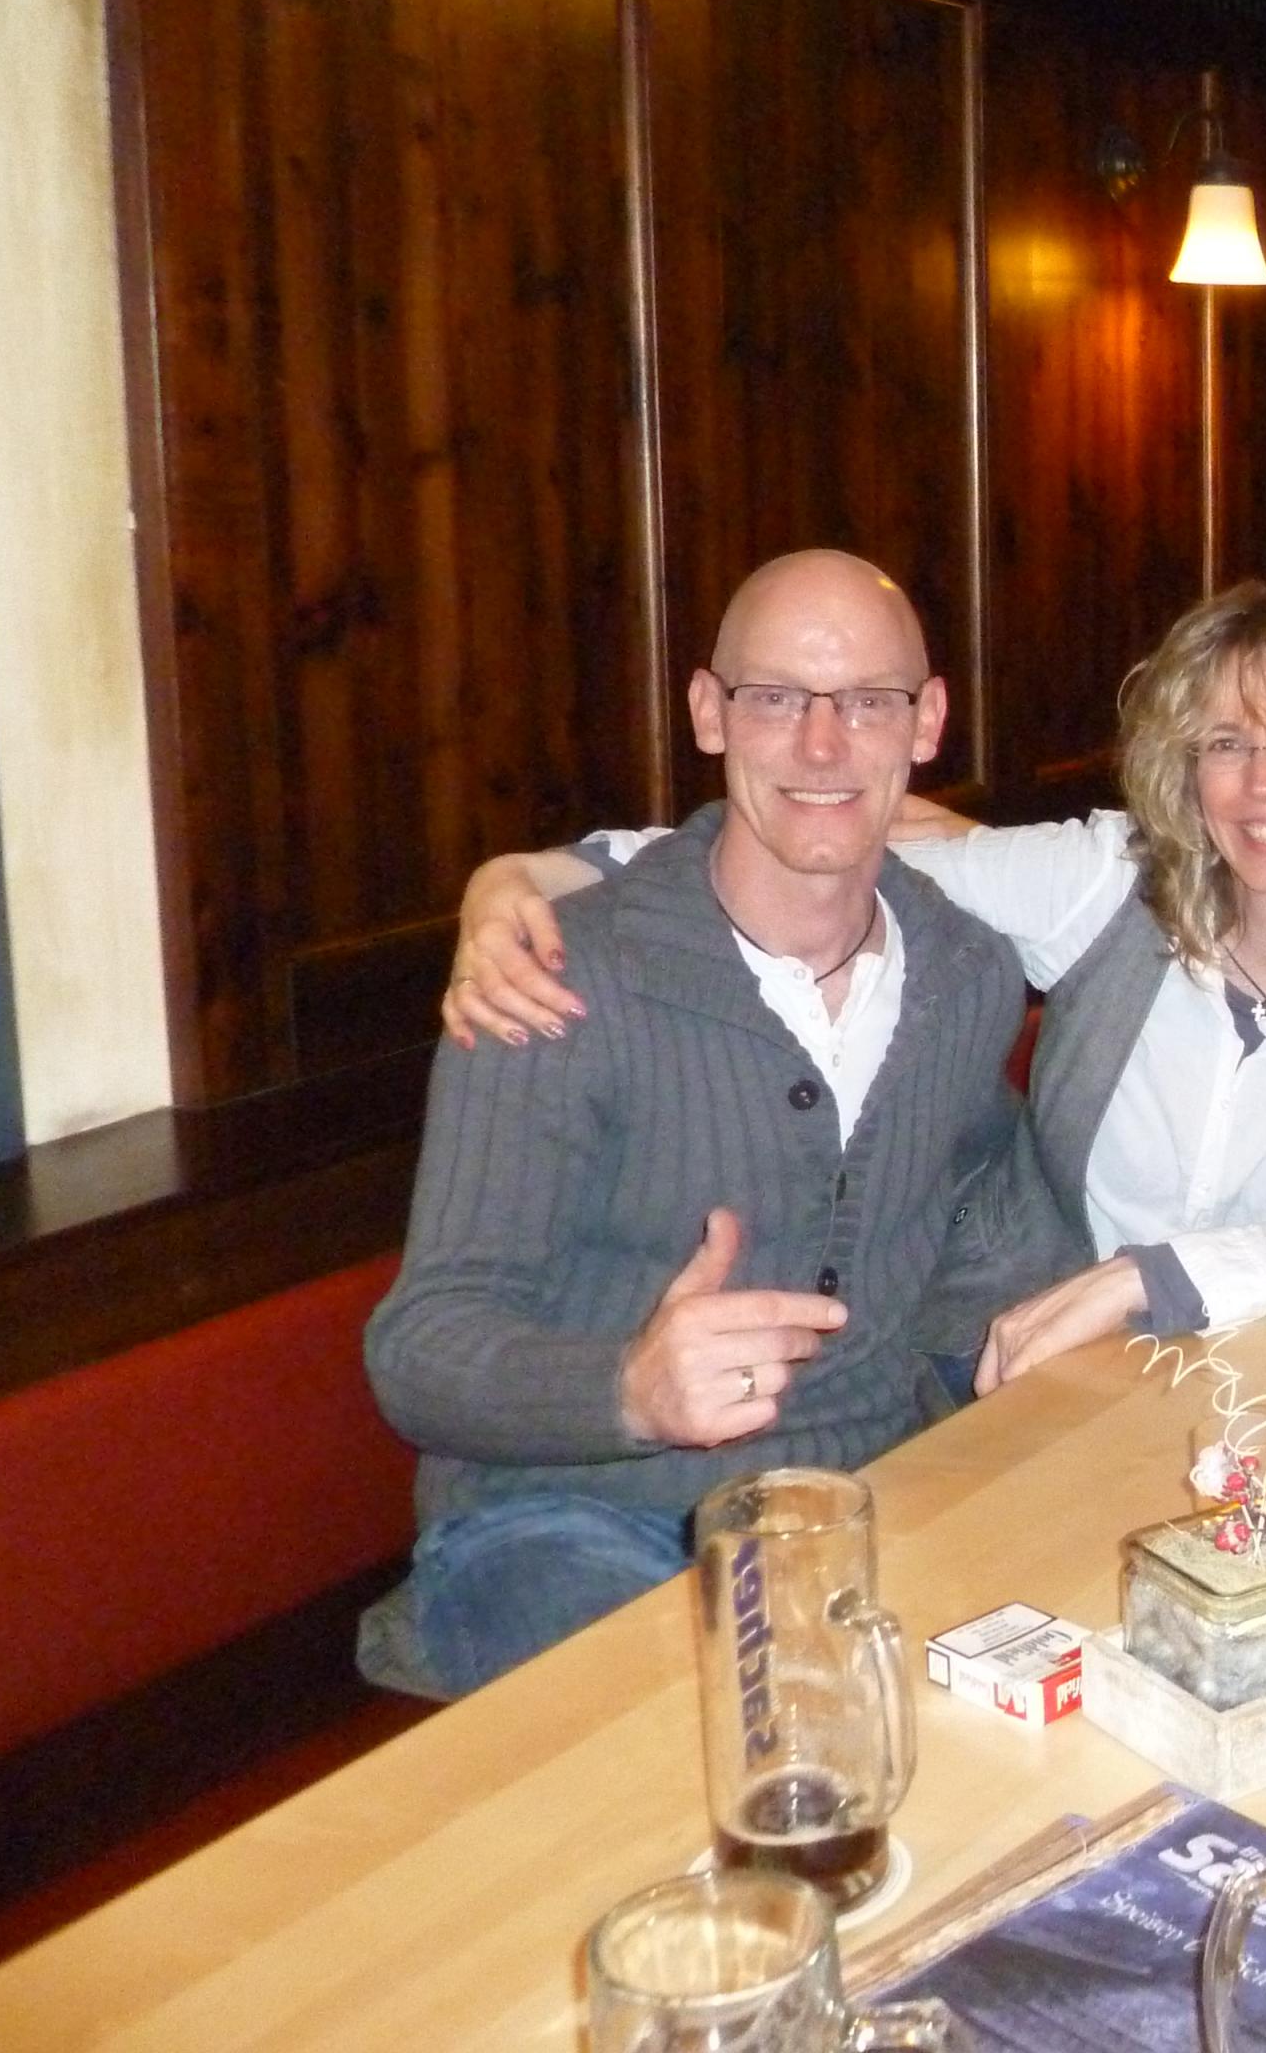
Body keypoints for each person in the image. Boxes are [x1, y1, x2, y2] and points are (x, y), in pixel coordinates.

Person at [443, 585, 1266, 1395]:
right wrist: (535, 874)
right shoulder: (1108, 881)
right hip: (1048, 1372)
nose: (1264, 784)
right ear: (1185, 770)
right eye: (1226, 744)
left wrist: (1149, 1278)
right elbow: (818, 840)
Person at [362, 551, 1080, 1697]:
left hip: (855, 1503)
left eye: (868, 702)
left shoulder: (965, 974)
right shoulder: (553, 981)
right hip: (564, 1522)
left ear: (926, 721)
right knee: (718, 1727)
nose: (822, 745)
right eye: (777, 697)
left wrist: (1073, 1364)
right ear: (710, 712)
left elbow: (981, 1232)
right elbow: (418, 1353)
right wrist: (629, 1387)